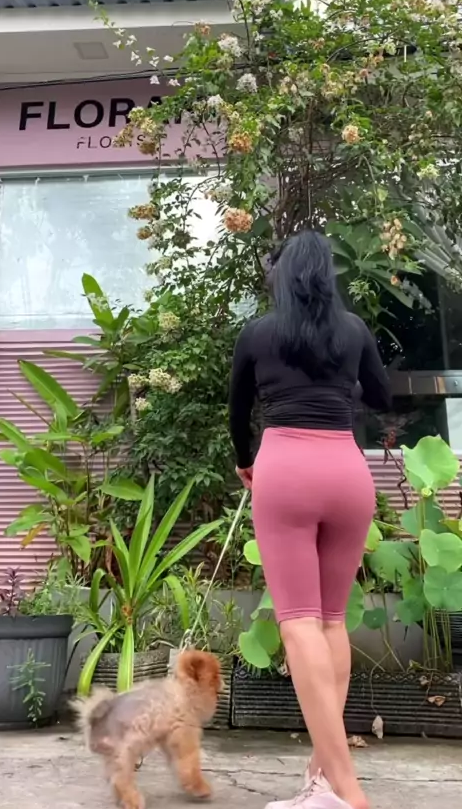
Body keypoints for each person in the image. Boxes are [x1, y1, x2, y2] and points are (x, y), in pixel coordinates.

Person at [229, 230, 391, 809]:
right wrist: (342, 387)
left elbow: (238, 412)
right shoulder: (353, 330)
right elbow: (382, 398)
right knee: (330, 622)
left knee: (298, 624)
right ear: (327, 275)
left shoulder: (258, 333)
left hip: (285, 471)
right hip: (347, 472)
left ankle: (347, 788)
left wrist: (246, 463)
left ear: (280, 278)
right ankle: (320, 783)